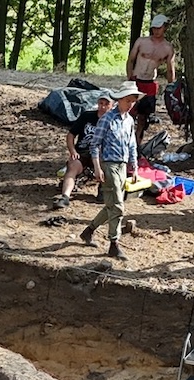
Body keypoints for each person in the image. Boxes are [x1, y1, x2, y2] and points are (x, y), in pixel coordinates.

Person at [79, 83, 141, 260]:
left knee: (112, 204)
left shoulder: (129, 120)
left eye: (133, 102)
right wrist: (97, 167)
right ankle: (114, 243)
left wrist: (134, 167)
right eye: (128, 100)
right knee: (118, 206)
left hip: (121, 166)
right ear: (119, 99)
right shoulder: (107, 119)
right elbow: (95, 144)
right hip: (108, 165)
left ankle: (88, 231)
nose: (130, 105)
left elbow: (132, 145)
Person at [54, 93, 113, 210]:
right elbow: (71, 135)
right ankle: (65, 196)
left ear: (112, 106)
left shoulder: (112, 120)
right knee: (73, 166)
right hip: (83, 151)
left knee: (105, 162)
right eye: (101, 103)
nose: (103, 107)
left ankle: (103, 189)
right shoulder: (87, 116)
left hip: (101, 153)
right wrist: (72, 151)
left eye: (106, 104)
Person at [127, 14, 176, 145]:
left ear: (165, 27)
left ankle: (137, 145)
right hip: (136, 81)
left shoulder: (167, 48)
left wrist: (172, 87)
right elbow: (130, 60)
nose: (156, 31)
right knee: (129, 114)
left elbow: (171, 69)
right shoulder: (142, 41)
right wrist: (129, 78)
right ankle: (125, 142)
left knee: (143, 118)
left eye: (159, 28)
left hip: (150, 83)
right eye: (154, 28)